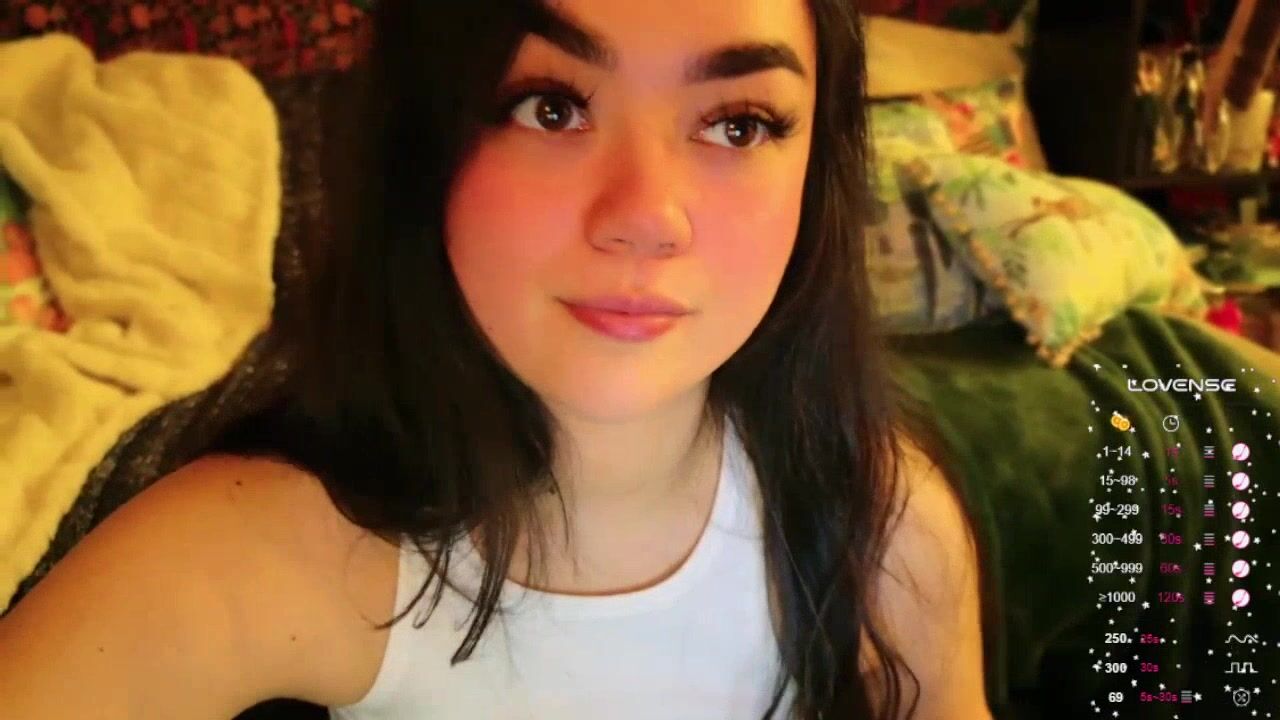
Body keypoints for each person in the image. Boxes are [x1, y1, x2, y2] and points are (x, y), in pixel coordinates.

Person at [0, 1, 993, 718]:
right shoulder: (259, 548)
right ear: (424, 146)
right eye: (551, 107)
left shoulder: (886, 526)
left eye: (738, 124)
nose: (646, 216)